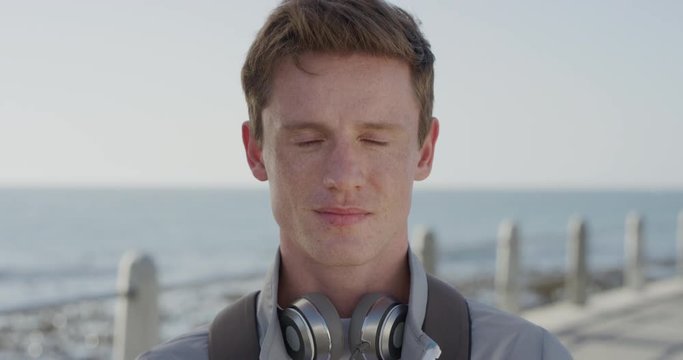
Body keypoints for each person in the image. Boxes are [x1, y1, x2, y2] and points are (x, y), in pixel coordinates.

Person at [139, 0, 572, 359]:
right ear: (256, 152)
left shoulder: (529, 352)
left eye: (374, 140)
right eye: (308, 140)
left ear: (425, 151)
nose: (343, 177)